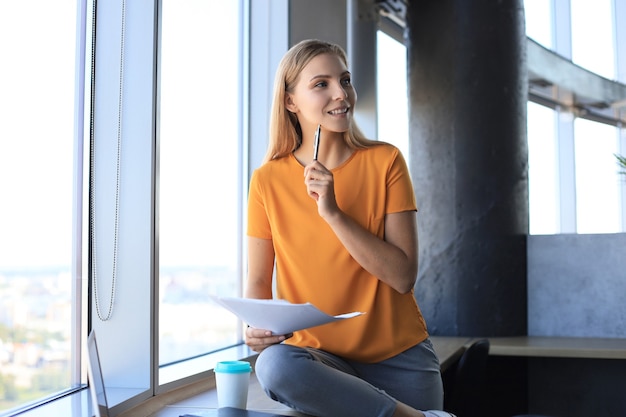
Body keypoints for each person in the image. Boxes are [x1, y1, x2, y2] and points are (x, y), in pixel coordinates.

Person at [244, 39, 455, 417]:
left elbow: (403, 275)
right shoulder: (266, 180)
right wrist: (255, 328)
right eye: (321, 84)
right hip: (319, 366)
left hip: (399, 360)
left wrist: (334, 213)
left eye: (345, 80)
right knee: (273, 365)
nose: (341, 93)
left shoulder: (386, 161)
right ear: (291, 101)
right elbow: (258, 285)